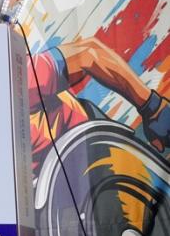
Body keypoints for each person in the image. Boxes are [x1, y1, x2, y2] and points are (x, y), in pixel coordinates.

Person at [28, 36, 170, 174]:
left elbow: (89, 53)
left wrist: (153, 107)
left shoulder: (24, 82)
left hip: (93, 138)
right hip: (59, 177)